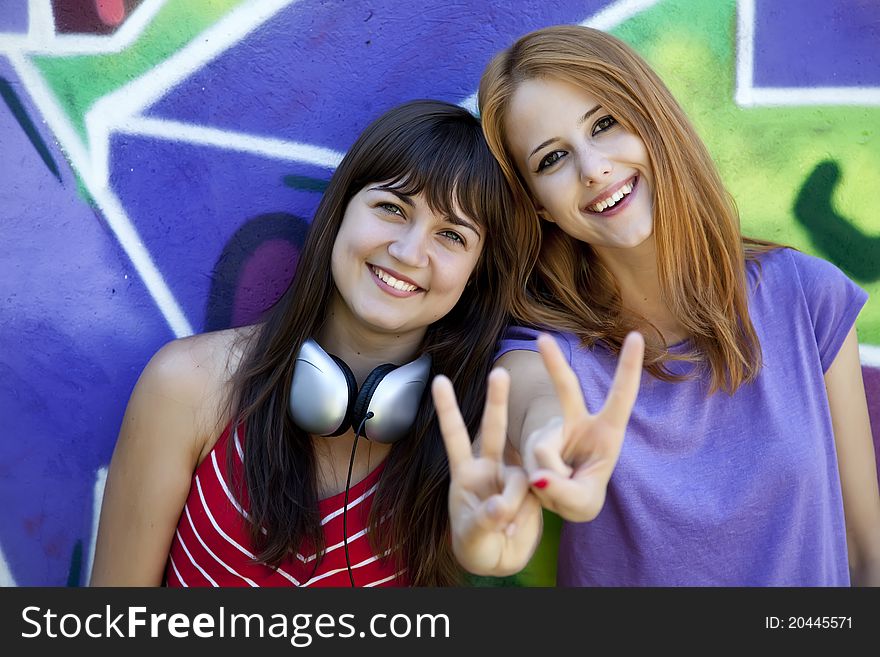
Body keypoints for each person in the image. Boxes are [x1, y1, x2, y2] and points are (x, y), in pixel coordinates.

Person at [476, 25, 880, 586]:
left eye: (604, 124)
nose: (593, 168)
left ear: (651, 121)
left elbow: (866, 555)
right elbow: (532, 407)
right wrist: (548, 445)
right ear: (537, 206)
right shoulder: (546, 352)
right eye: (552, 159)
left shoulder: (806, 296)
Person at [89, 100, 548, 587]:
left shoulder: (470, 447)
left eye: (452, 236)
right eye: (392, 208)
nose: (409, 251)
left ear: (476, 275)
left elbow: (512, 517)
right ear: (340, 213)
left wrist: (499, 542)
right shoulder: (189, 387)